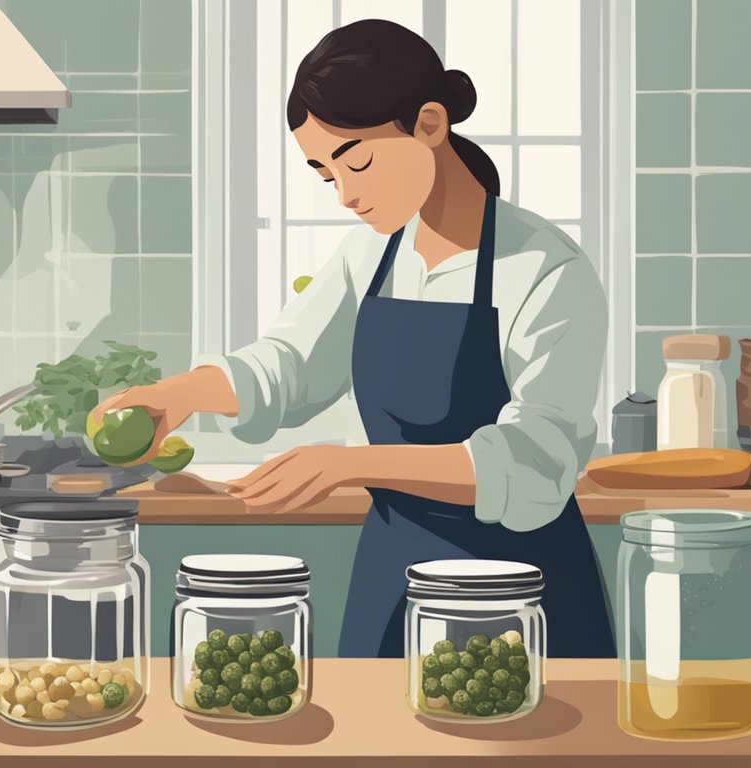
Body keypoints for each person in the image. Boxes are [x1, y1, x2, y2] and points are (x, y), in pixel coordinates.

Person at [92, 19, 615, 658]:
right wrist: (180, 393)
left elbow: (536, 461)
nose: (344, 194)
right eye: (323, 174)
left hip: (520, 591)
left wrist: (350, 464)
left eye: (357, 160)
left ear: (429, 123)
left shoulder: (545, 267)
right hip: (396, 572)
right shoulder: (370, 253)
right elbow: (290, 362)